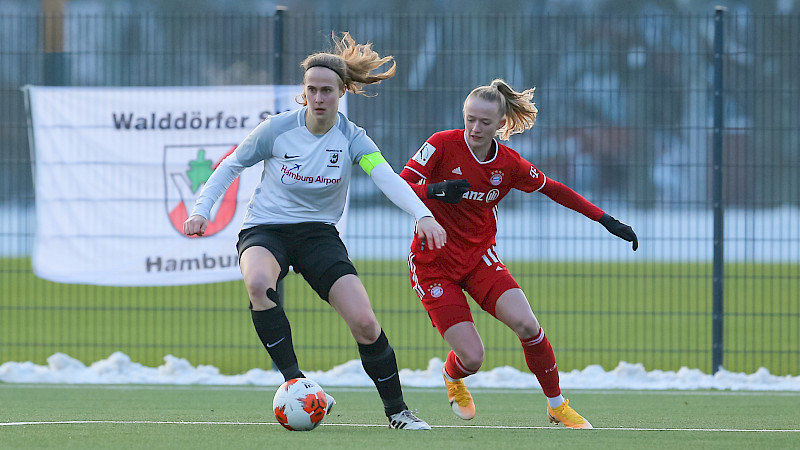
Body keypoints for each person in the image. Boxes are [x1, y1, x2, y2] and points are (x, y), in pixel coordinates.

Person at [183, 32, 445, 431]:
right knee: (257, 284)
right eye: (311, 90)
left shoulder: (353, 137)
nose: (319, 97)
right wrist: (202, 209)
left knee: (365, 323)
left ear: (342, 91)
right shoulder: (276, 129)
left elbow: (386, 177)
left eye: (327, 90)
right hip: (265, 229)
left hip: (319, 235)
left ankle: (398, 413)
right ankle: (295, 381)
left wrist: (421, 214)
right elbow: (229, 166)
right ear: (303, 93)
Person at [400, 79, 638, 429]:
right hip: (433, 264)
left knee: (528, 325)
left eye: (484, 122)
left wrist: (605, 219)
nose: (475, 128)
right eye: (469, 119)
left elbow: (554, 189)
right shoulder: (440, 145)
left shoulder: (508, 164)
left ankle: (557, 404)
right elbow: (399, 185)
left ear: (501, 124)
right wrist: (434, 191)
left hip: (480, 259)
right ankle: (452, 375)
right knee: (473, 357)